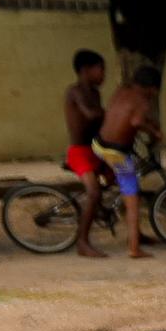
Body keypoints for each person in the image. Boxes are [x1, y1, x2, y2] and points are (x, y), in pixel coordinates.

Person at [92, 64, 164, 260]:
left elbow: (127, 115)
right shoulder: (143, 100)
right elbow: (136, 121)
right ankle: (134, 248)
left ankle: (136, 234)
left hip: (99, 143)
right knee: (132, 198)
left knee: (125, 182)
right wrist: (154, 132)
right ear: (151, 88)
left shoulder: (123, 90)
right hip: (116, 152)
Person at [62, 49, 112, 258]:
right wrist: (114, 112)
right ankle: (82, 241)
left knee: (125, 181)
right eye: (100, 69)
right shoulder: (74, 92)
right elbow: (90, 115)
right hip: (79, 152)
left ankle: (136, 232)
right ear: (85, 70)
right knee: (94, 193)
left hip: (95, 149)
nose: (103, 75)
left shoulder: (96, 93)